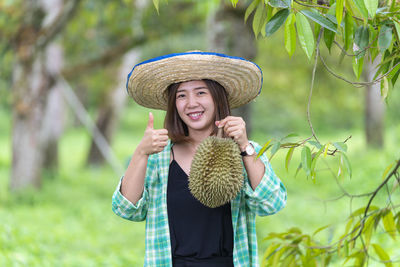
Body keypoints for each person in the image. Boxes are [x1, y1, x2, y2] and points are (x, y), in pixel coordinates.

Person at [112, 51, 287, 267]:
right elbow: (127, 209)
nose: (191, 103)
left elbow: (271, 204)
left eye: (201, 92)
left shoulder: (245, 152)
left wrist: (243, 145)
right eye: (181, 95)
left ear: (217, 97)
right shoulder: (158, 156)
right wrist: (141, 153)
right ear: (174, 105)